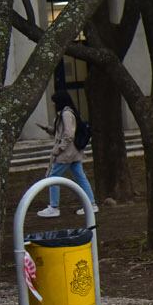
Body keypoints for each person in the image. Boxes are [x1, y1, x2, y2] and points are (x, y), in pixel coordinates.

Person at [37, 90, 97, 218]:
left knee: (53, 177)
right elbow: (62, 132)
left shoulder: (66, 114)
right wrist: (48, 129)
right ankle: (91, 203)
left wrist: (59, 148)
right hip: (74, 152)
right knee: (80, 177)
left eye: (54, 102)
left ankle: (54, 206)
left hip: (67, 153)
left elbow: (68, 134)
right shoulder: (67, 113)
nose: (53, 105)